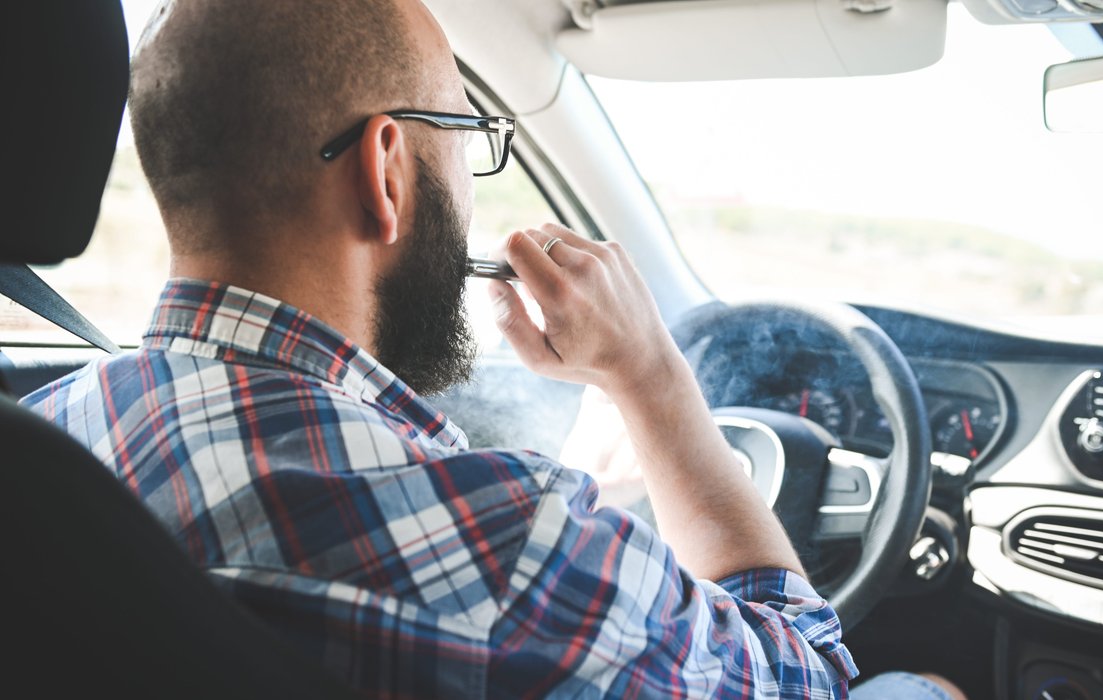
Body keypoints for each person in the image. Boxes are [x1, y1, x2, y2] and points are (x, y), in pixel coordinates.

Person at [22, 0, 964, 697]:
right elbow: (806, 672)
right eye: (466, 137)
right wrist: (651, 378)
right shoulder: (513, 547)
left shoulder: (46, 435)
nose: (471, 188)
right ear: (385, 167)